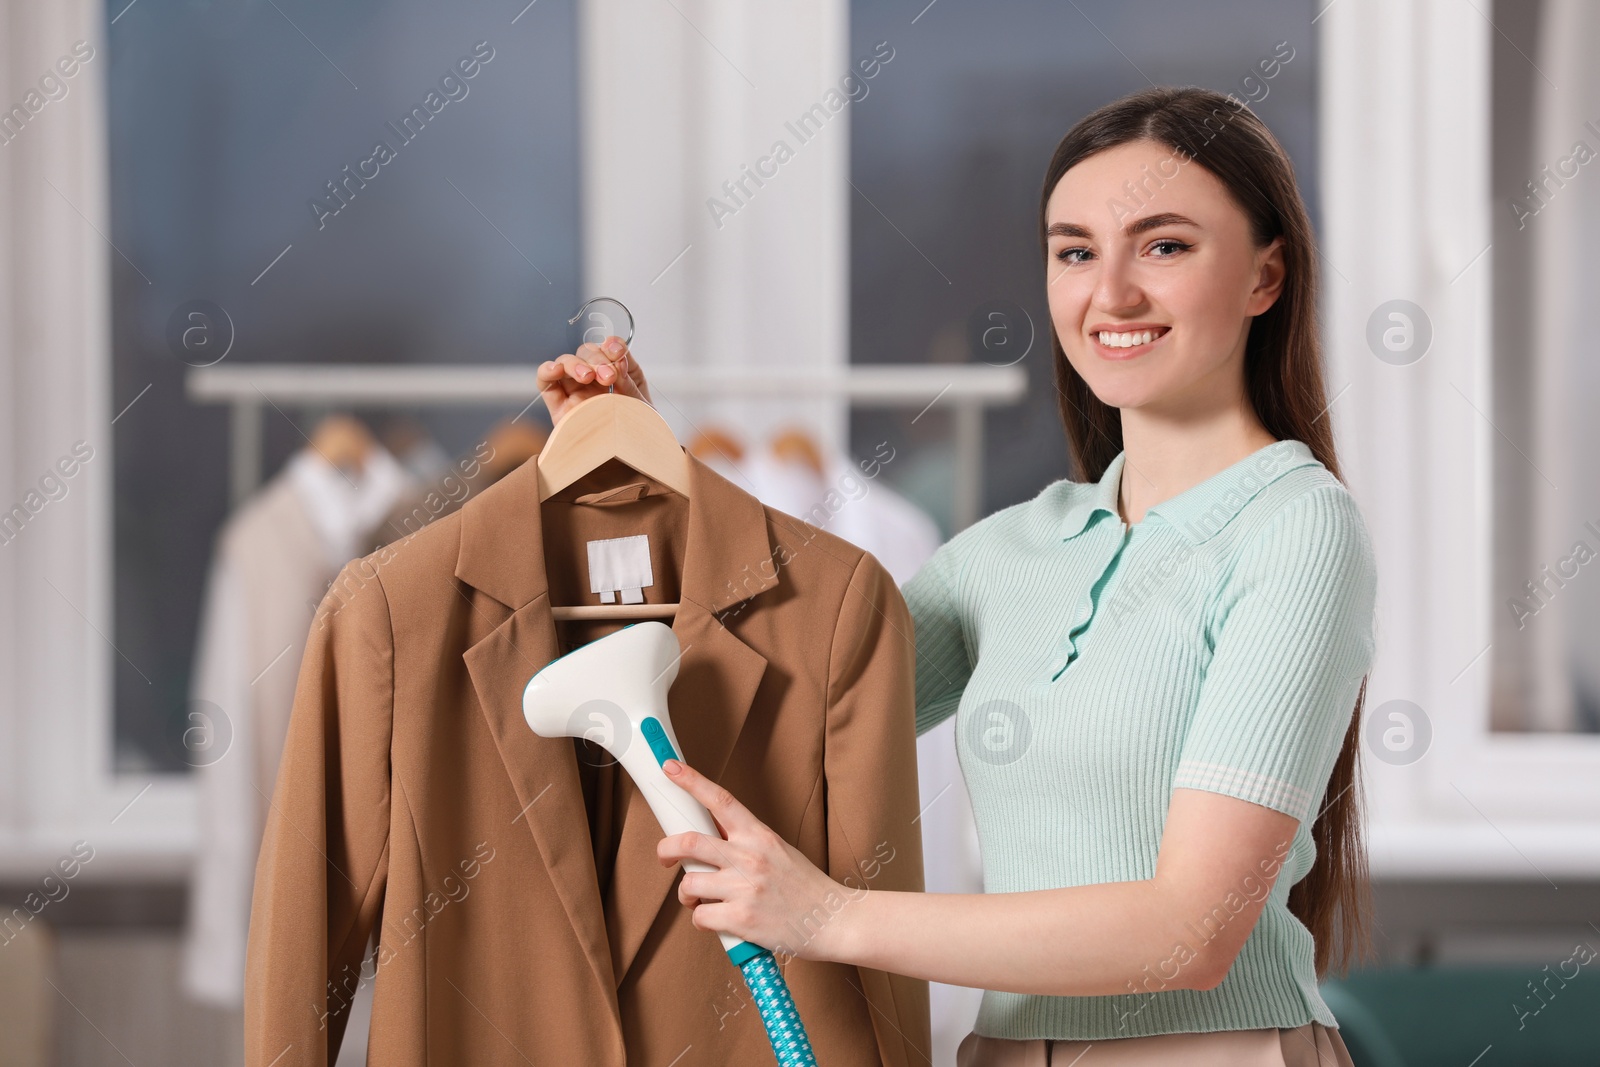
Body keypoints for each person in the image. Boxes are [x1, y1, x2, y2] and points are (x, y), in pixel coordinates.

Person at [537, 85, 1375, 1067]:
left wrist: (830, 914)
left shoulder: (1296, 529)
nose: (1109, 294)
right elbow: (769, 706)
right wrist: (637, 465)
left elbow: (1191, 928)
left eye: (1163, 245)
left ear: (1265, 275)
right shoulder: (1007, 550)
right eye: (1074, 251)